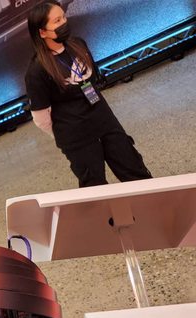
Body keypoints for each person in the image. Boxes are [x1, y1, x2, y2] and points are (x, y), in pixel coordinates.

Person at [24, 1, 152, 188]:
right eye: (57, 21)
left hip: (104, 120)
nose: (64, 23)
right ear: (42, 32)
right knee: (94, 185)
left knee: (133, 169)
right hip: (76, 135)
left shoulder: (78, 45)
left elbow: (91, 83)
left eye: (64, 17)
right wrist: (65, 132)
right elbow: (41, 118)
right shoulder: (36, 71)